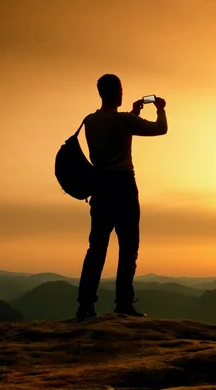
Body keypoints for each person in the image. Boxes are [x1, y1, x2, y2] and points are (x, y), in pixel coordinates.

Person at [76, 73, 168, 319]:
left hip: (100, 188)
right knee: (128, 247)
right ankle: (123, 305)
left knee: (97, 248)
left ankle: (85, 305)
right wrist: (160, 109)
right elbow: (161, 129)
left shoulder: (90, 121)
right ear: (118, 92)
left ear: (100, 93)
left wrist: (133, 114)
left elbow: (113, 133)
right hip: (124, 187)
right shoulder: (124, 121)